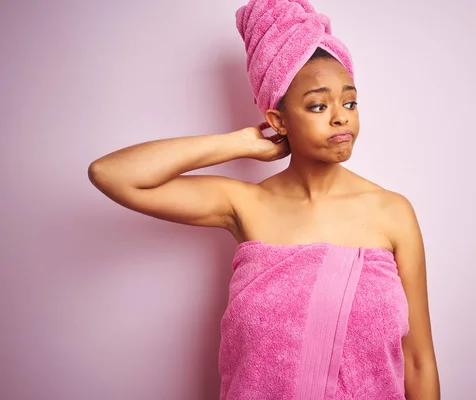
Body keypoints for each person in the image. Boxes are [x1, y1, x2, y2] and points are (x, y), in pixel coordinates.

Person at [89, 0, 439, 398]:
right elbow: (113, 174)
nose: (341, 117)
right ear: (279, 120)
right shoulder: (245, 204)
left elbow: (418, 360)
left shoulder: (392, 212)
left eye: (350, 102)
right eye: (318, 105)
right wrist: (240, 143)